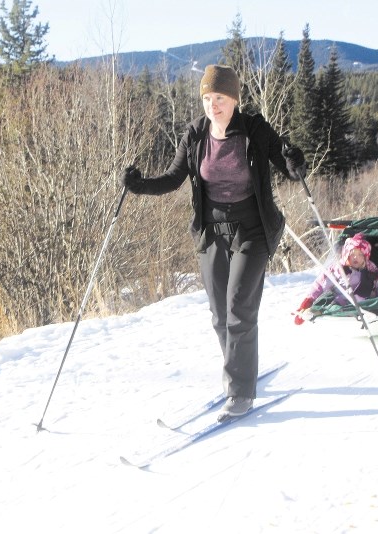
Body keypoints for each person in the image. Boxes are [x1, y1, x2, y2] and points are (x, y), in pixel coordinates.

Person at [119, 64, 306, 421]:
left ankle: (239, 391)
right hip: (211, 232)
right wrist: (139, 184)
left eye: (219, 98)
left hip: (252, 228)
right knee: (220, 314)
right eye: (207, 98)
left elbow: (290, 171)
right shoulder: (196, 134)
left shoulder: (254, 129)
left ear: (234, 98)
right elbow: (174, 178)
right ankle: (240, 368)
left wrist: (295, 161)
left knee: (239, 306)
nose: (212, 105)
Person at [293, 233, 378, 324]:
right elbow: (320, 285)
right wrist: (309, 299)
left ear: (365, 257)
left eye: (360, 254)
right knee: (327, 304)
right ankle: (308, 312)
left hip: (365, 305)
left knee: (374, 302)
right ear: (346, 254)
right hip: (340, 303)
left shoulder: (372, 271)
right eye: (352, 254)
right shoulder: (338, 270)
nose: (356, 257)